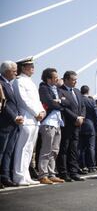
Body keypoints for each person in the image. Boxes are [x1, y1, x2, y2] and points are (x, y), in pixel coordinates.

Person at [13, 57, 46, 185]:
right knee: (22, 148)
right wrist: (36, 113)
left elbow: (36, 101)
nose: (33, 68)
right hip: (26, 118)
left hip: (35, 119)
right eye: (30, 66)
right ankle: (18, 176)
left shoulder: (31, 82)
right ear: (23, 67)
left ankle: (26, 176)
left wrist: (42, 111)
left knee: (29, 149)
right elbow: (23, 100)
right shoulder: (19, 81)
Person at [37, 68, 65, 184]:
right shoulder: (43, 88)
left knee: (55, 150)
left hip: (58, 122)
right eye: (55, 77)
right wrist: (59, 102)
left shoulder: (57, 89)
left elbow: (66, 102)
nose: (57, 79)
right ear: (49, 79)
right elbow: (49, 102)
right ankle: (43, 174)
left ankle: (51, 173)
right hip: (48, 122)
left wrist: (59, 102)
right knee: (46, 149)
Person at [57, 70, 86, 182]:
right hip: (67, 124)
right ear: (67, 80)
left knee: (74, 149)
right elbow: (63, 108)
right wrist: (75, 118)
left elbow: (82, 106)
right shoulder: (60, 91)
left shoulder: (77, 92)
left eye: (76, 80)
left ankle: (73, 172)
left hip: (77, 125)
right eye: (73, 80)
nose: (75, 82)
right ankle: (64, 172)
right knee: (64, 148)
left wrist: (81, 117)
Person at [0, 61, 23, 188]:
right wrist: (15, 117)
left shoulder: (9, 84)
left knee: (9, 151)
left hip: (14, 123)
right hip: (4, 122)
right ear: (7, 71)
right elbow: (4, 104)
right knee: (1, 151)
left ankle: (5, 176)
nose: (16, 72)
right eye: (14, 70)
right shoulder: (1, 83)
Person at [79, 85, 97, 173]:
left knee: (81, 147)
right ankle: (91, 166)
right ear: (88, 91)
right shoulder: (91, 101)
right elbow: (96, 115)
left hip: (80, 125)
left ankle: (82, 165)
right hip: (90, 126)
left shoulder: (79, 99)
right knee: (91, 147)